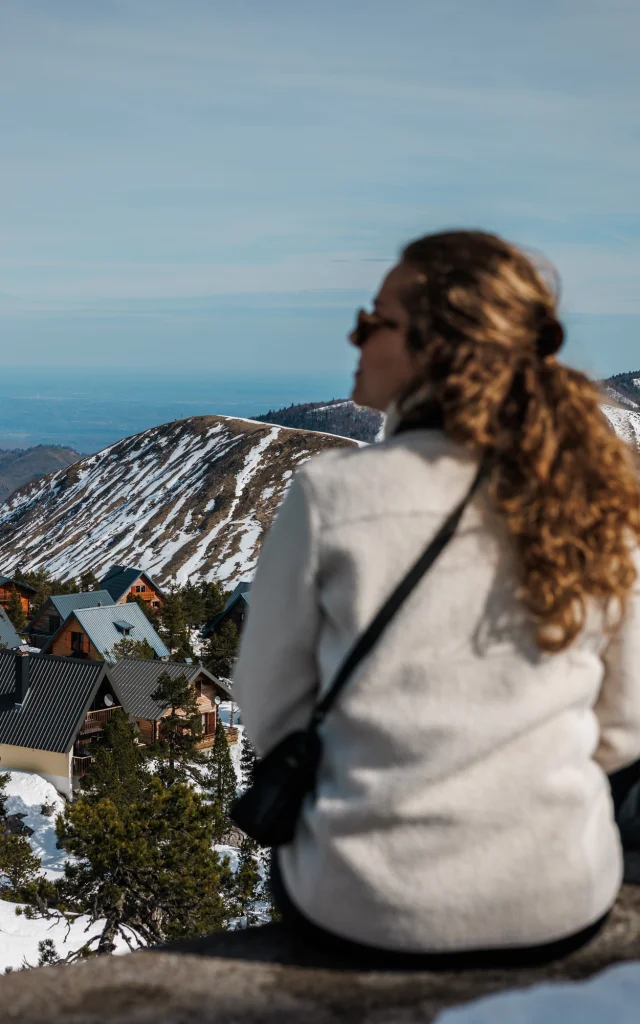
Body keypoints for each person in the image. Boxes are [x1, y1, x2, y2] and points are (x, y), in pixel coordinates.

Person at [234, 230, 640, 969]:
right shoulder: (597, 501)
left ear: (437, 346)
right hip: (560, 898)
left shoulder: (334, 495)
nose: (354, 333)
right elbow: (623, 726)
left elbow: (268, 704)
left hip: (365, 904)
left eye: (375, 319)